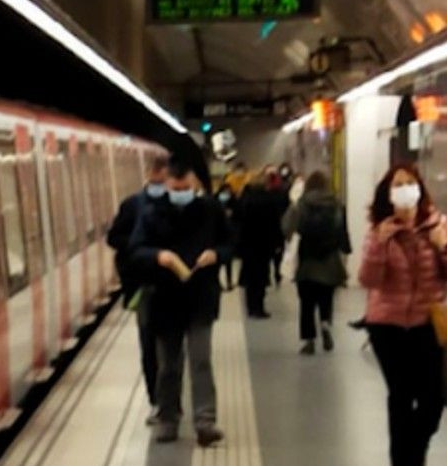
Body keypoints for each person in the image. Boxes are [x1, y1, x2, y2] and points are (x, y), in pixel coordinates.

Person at [357, 164, 447, 466]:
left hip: (427, 323)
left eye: (410, 183)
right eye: (398, 185)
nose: (405, 189)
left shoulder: (438, 224)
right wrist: (381, 243)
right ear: (388, 194)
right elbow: (368, 279)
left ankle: (415, 447)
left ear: (420, 189)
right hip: (387, 326)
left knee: (434, 397)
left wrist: (443, 246)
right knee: (401, 395)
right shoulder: (378, 231)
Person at [128, 160, 231, 446]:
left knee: (201, 360)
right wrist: (157, 257)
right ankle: (168, 419)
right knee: (168, 365)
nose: (181, 193)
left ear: (194, 184)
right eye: (176, 189)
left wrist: (216, 254)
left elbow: (230, 243)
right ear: (167, 186)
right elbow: (135, 251)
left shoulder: (211, 210)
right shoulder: (151, 214)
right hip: (165, 299)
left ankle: (205, 421)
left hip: (201, 297)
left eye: (186, 188)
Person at [107, 153, 171, 423]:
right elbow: (114, 238)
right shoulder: (132, 205)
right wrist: (137, 245)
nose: (158, 178)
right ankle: (157, 400)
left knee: (171, 348)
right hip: (143, 287)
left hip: (172, 287)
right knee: (149, 346)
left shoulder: (179, 206)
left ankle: (169, 402)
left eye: (163, 174)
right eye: (155, 172)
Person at [281, 171, 351, 355]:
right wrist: (346, 249)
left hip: (307, 261)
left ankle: (309, 341)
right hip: (330, 261)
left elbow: (286, 227)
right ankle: (325, 323)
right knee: (326, 299)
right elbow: (342, 232)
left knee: (307, 304)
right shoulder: (336, 204)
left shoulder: (302, 204)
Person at [234, 169, 289, 318]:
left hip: (247, 244)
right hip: (264, 244)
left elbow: (236, 222)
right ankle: (259, 307)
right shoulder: (269, 200)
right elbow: (275, 223)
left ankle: (250, 307)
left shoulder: (243, 200)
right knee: (261, 275)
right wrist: (278, 242)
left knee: (249, 276)